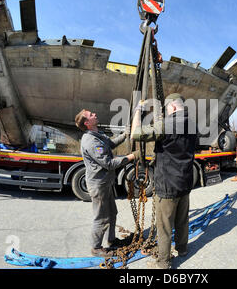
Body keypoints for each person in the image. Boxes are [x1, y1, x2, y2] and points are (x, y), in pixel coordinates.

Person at [130, 94, 197, 269]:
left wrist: (138, 112)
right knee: (182, 220)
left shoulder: (167, 125)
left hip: (167, 184)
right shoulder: (192, 124)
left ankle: (163, 262)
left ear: (173, 107)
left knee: (164, 226)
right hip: (185, 182)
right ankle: (182, 249)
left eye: (167, 110)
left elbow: (135, 134)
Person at [75, 109, 140, 258]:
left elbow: (110, 143)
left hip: (105, 183)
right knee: (101, 218)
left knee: (112, 213)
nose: (95, 114)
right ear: (87, 123)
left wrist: (124, 135)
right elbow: (109, 163)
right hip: (99, 186)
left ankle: (111, 240)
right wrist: (130, 157)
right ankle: (96, 248)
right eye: (91, 115)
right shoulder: (91, 141)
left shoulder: (97, 135)